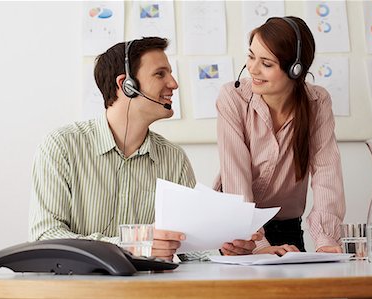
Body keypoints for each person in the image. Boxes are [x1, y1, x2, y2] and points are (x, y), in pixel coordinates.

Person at [29, 37, 260, 260]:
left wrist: (222, 248)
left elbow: (187, 244)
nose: (174, 83)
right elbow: (45, 236)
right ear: (126, 85)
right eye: (160, 74)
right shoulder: (61, 147)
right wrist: (136, 244)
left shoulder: (173, 158)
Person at [214, 17, 346, 256]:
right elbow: (236, 178)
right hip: (241, 233)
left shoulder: (317, 102)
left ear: (295, 69)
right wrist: (259, 246)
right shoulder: (233, 98)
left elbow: (327, 172)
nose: (253, 69)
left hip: (288, 230)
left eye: (266, 63)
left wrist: (326, 239)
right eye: (251, 56)